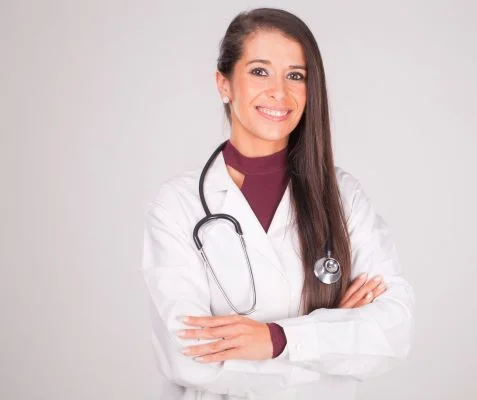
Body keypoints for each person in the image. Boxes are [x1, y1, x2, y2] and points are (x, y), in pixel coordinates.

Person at [140, 7, 415, 400]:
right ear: (224, 84)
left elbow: (392, 333)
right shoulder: (177, 206)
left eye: (296, 75)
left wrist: (277, 338)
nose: (280, 92)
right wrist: (332, 336)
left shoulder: (343, 197)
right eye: (259, 71)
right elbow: (190, 358)